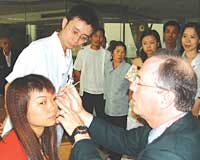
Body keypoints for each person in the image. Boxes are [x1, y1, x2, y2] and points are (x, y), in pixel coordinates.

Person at [56, 49, 200, 160]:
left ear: (166, 98)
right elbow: (123, 139)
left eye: (140, 83)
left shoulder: (170, 153)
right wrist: (80, 112)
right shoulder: (169, 126)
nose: (132, 87)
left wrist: (80, 135)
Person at [3, 4, 99, 145]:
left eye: (83, 37)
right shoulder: (38, 50)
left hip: (49, 127)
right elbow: (10, 87)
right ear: (64, 22)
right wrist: (20, 124)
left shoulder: (67, 56)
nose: (76, 40)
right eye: (74, 32)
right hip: (26, 130)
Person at [0, 74, 59, 160]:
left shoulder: (43, 136)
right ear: (20, 108)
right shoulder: (10, 150)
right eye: (42, 102)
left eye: (54, 99)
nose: (53, 107)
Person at [73, 27, 109, 120]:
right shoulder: (83, 52)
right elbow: (77, 70)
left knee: (102, 119)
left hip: (102, 92)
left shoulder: (106, 54)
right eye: (95, 36)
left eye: (100, 36)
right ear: (90, 37)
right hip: (86, 92)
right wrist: (84, 81)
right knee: (86, 119)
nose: (98, 39)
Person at [104, 41, 131, 160]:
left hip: (121, 108)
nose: (120, 54)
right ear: (112, 53)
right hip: (108, 106)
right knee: (110, 133)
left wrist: (129, 99)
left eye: (123, 52)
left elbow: (135, 85)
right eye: (118, 51)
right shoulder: (107, 66)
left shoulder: (130, 67)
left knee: (119, 135)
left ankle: (116, 157)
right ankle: (111, 155)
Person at [181, 22, 200, 117]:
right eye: (184, 36)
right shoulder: (177, 61)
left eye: (192, 37)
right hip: (179, 111)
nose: (187, 41)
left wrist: (198, 103)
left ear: (199, 40)